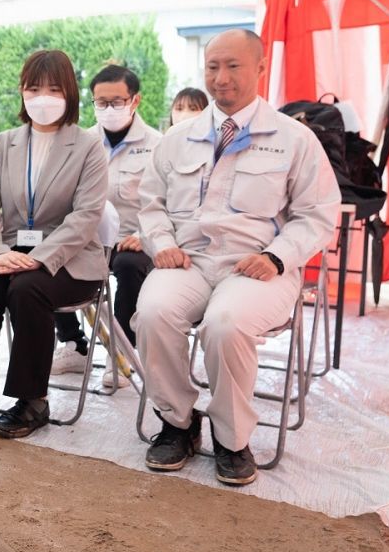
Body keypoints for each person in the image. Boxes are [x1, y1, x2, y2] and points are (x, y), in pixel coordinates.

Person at [135, 29, 338, 486]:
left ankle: (232, 438)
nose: (220, 78)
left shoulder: (294, 139)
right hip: (188, 261)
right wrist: (160, 241)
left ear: (261, 68)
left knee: (225, 324)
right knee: (151, 311)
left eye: (233, 66)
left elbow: (318, 215)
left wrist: (276, 256)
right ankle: (178, 424)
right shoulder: (178, 137)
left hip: (259, 267)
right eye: (212, 67)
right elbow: (149, 203)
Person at [0, 50, 108, 438]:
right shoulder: (4, 144)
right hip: (7, 251)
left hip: (69, 260)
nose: (43, 97)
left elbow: (86, 216)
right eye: (34, 88)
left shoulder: (89, 146)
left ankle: (32, 401)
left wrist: (39, 258)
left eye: (54, 88)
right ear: (23, 92)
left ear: (70, 93)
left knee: (27, 288)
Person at [87, 64, 162, 384]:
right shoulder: (82, 142)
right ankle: (74, 344)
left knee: (130, 266)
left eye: (117, 101)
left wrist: (145, 236)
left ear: (135, 100)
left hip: (134, 237)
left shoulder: (158, 145)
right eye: (101, 103)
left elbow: (169, 202)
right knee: (48, 258)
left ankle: (120, 353)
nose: (109, 109)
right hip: (90, 237)